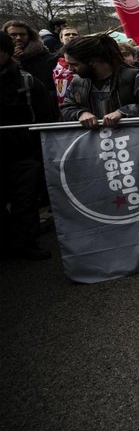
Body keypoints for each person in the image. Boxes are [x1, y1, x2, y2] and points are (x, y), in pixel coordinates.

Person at [0, 31, 58, 260]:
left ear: (5, 54)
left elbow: (47, 116)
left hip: (24, 152)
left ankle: (26, 243)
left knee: (24, 200)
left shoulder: (27, 82)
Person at [60, 33, 139, 127]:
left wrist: (123, 113)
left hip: (129, 144)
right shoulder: (77, 82)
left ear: (92, 61)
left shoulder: (132, 78)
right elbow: (66, 107)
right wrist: (80, 114)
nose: (70, 69)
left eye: (74, 64)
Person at [3, 20, 56, 104]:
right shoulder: (3, 60)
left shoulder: (48, 58)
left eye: (22, 34)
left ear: (29, 36)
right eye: (13, 35)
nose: (18, 38)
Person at [52, 25, 79, 106]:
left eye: (74, 34)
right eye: (67, 34)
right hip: (60, 104)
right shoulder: (52, 59)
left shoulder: (89, 58)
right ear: (61, 39)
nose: (71, 36)